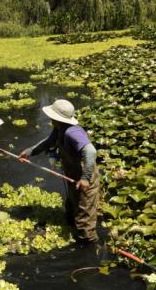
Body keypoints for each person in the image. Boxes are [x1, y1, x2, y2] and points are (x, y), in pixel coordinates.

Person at [18, 99, 99, 244]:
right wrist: (30, 151)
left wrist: (86, 178)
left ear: (56, 118)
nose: (49, 118)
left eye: (51, 116)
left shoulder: (73, 132)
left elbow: (91, 151)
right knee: (71, 209)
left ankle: (89, 247)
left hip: (84, 180)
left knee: (84, 220)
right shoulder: (60, 128)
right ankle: (74, 232)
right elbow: (48, 142)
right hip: (73, 177)